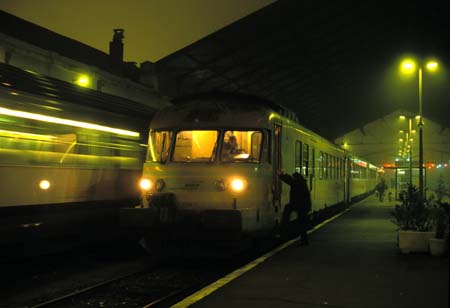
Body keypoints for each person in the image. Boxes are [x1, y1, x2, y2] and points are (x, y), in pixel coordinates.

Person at [279, 171, 312, 246]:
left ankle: (283, 228)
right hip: (301, 205)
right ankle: (304, 240)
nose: (293, 178)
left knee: (301, 224)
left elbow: (290, 181)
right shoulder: (301, 183)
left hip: (301, 205)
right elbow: (290, 181)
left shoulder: (298, 183)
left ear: (296, 178)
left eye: (294, 177)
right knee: (301, 224)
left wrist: (282, 175)